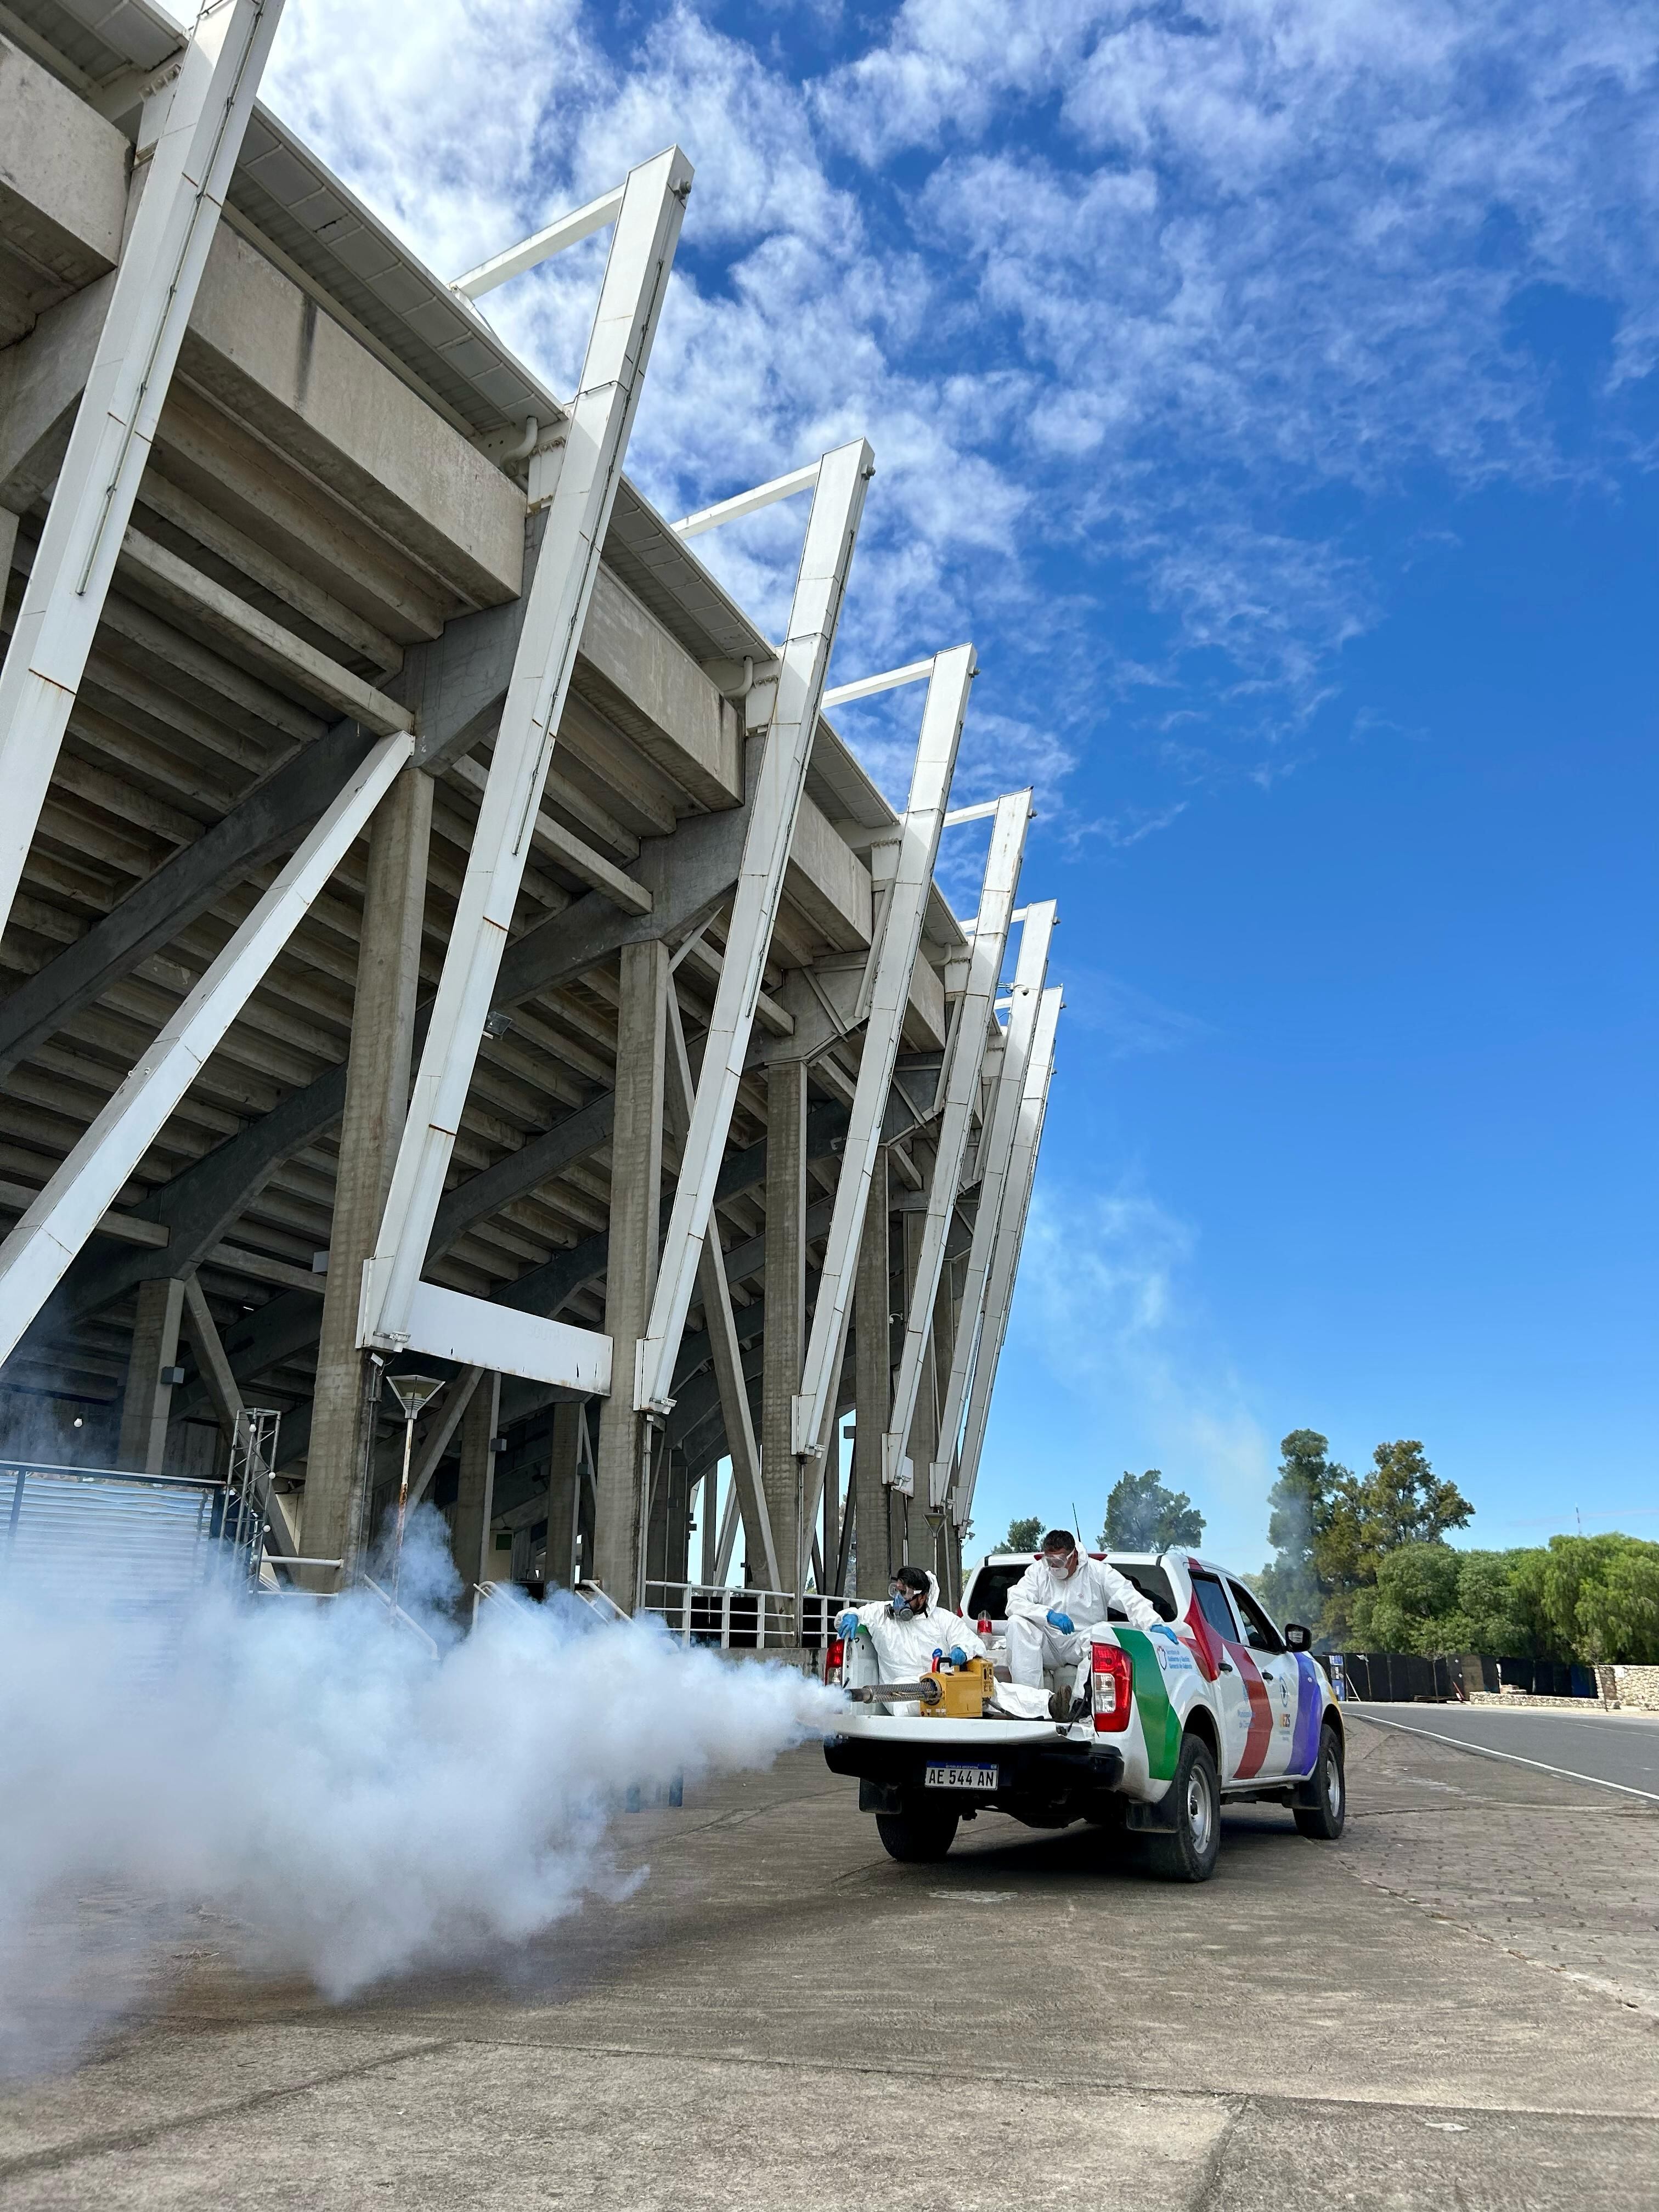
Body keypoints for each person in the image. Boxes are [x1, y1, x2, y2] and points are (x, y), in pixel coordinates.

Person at [1004, 1528, 1159, 1697]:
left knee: (1103, 1632)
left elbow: (1127, 1596)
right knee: (1017, 1622)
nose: (1054, 1567)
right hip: (1048, 1642)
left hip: (1080, 1642)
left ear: (1074, 1556)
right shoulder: (1038, 1572)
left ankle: (1080, 1704)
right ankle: (1030, 1704)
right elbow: (1015, 1601)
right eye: (1049, 1561)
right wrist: (1047, 1615)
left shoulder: (1098, 1572)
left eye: (1059, 1561)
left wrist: (1153, 1623)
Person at [837, 1565, 987, 1681]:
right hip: (898, 1694)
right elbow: (856, 1613)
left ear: (922, 1598)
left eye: (905, 1593)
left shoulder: (944, 1619)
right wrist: (851, 1615)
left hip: (940, 1689)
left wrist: (962, 1651)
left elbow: (974, 1644)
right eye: (896, 1591)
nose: (898, 1599)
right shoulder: (881, 1614)